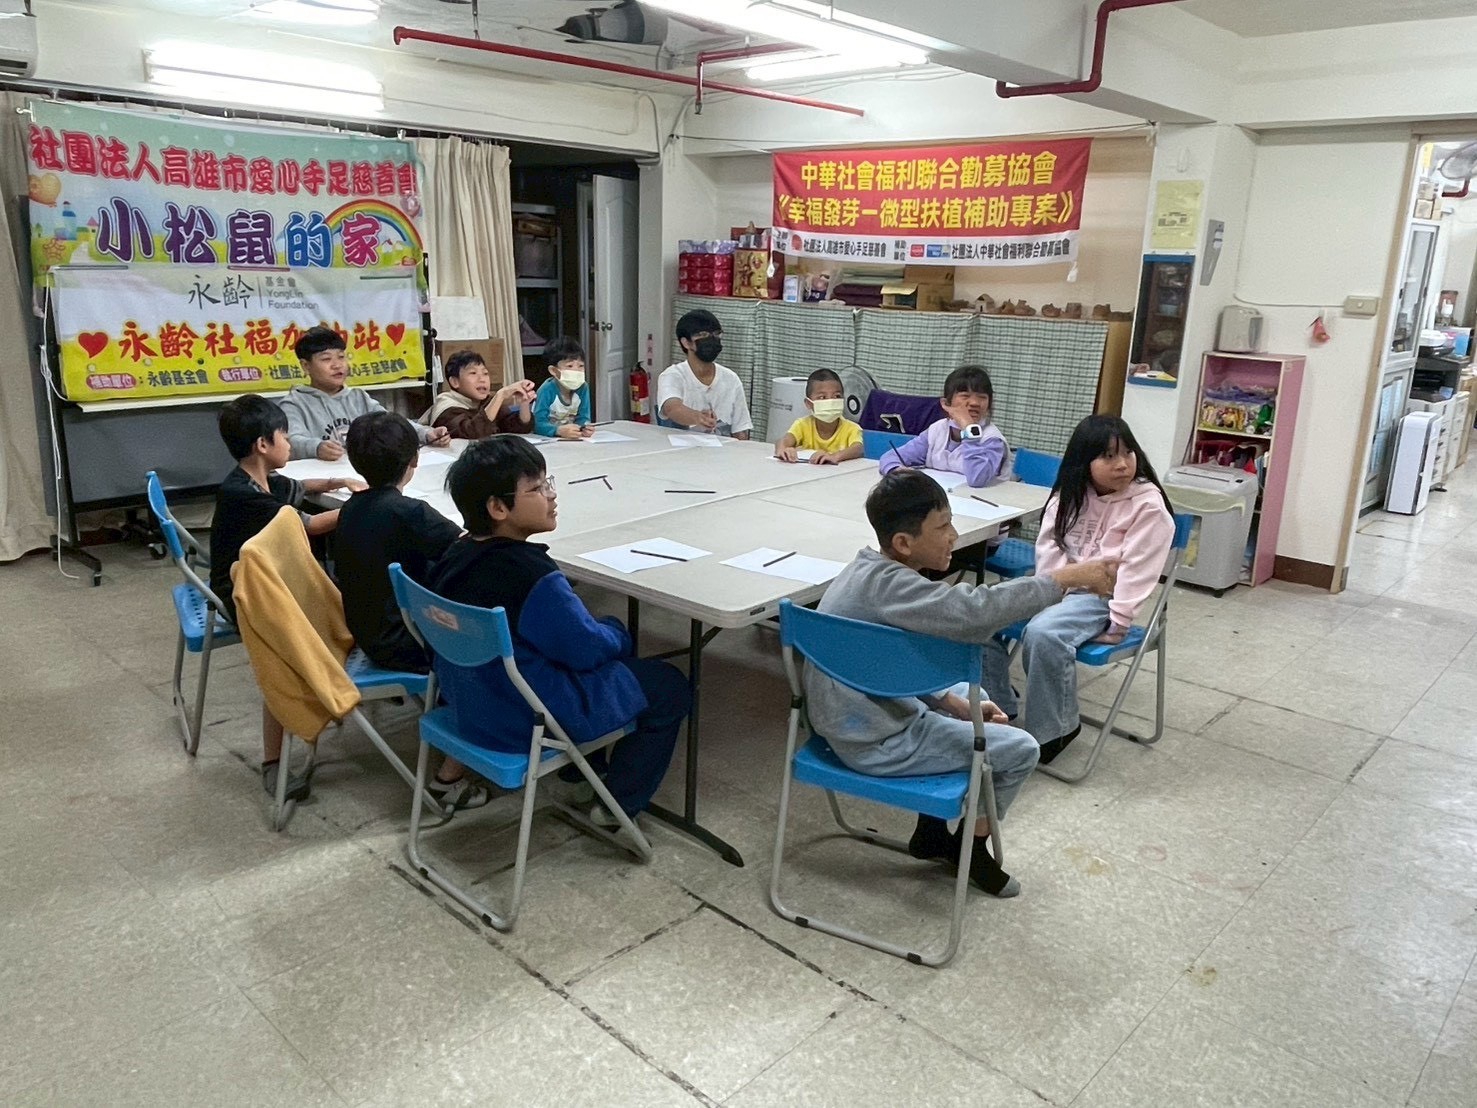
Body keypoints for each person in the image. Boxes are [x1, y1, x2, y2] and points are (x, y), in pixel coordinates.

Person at [806, 469, 1117, 897]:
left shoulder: (867, 570)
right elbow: (974, 611)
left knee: (974, 697)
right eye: (943, 526)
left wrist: (948, 702)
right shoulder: (896, 588)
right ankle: (969, 851)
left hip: (853, 713)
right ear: (904, 543)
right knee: (1021, 749)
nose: (954, 535)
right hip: (873, 739)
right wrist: (1065, 579)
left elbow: (880, 664)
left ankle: (931, 834)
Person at [428, 437, 687, 824]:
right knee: (668, 685)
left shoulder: (455, 555)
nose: (551, 495)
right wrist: (617, 631)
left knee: (592, 656)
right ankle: (615, 809)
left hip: (467, 703)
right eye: (536, 488)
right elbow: (585, 649)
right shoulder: (531, 575)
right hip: (524, 718)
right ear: (498, 508)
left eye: (548, 483)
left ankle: (581, 771)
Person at [984, 415, 1175, 765]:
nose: (1122, 464)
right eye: (1108, 456)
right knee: (984, 612)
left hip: (1102, 597)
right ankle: (998, 708)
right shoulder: (1069, 494)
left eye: (1128, 452)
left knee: (1044, 633)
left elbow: (1138, 570)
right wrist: (1052, 590)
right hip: (1061, 586)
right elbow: (1050, 547)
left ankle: (1057, 729)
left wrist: (1120, 620)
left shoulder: (1148, 505)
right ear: (1083, 462)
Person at [210, 394, 364, 801]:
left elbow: (298, 487)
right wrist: (367, 505)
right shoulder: (243, 496)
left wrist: (338, 483)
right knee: (291, 650)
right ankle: (273, 760)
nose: (291, 443)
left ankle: (334, 689)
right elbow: (309, 524)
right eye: (284, 436)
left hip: (271, 578)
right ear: (263, 444)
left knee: (333, 599)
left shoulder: (258, 479)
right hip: (244, 592)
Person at [337, 412, 488, 811]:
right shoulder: (410, 513)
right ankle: (449, 778)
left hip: (366, 632)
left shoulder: (351, 508)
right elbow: (468, 549)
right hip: (405, 642)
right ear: (414, 461)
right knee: (491, 651)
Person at [281, 325, 450, 461]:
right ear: (306, 366)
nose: (337, 365)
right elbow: (291, 440)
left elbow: (391, 422)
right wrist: (316, 448)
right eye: (326, 359)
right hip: (322, 479)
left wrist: (426, 433)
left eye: (341, 357)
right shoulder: (294, 403)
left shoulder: (358, 397)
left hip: (361, 474)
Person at [877, 365, 1013, 488]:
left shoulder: (993, 439)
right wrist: (896, 470)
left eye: (982, 397)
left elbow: (977, 479)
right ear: (946, 403)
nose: (974, 403)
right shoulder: (937, 430)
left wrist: (968, 428)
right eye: (965, 396)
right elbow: (890, 457)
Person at [657, 309, 753, 439]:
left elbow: (740, 431)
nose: (711, 339)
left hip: (724, 450)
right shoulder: (672, 376)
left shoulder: (731, 379)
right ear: (686, 343)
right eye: (703, 335)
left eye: (716, 334)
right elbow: (672, 408)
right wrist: (698, 417)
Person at [423, 349, 535, 440]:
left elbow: (515, 428)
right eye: (473, 373)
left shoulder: (488, 401)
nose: (482, 379)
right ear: (455, 382)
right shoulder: (446, 407)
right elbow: (472, 433)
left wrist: (524, 403)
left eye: (485, 373)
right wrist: (500, 395)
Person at [774, 368, 864, 465]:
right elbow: (784, 440)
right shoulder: (802, 425)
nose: (830, 401)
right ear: (809, 403)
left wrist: (835, 456)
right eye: (822, 397)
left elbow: (858, 449)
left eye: (836, 396)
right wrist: (784, 450)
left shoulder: (852, 428)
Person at [533, 337, 594, 440]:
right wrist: (558, 431)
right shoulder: (546, 390)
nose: (576, 371)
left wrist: (584, 428)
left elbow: (583, 417)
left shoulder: (583, 388)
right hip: (548, 440)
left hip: (572, 440)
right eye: (570, 366)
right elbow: (537, 424)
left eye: (581, 366)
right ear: (554, 371)